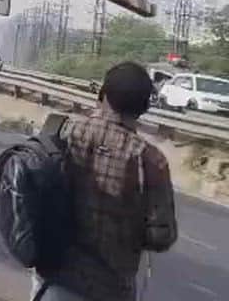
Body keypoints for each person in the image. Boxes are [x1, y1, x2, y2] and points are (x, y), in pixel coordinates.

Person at [33, 61, 178, 301]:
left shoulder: (64, 132)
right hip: (112, 288)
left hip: (55, 277)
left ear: (103, 95)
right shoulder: (151, 160)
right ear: (144, 108)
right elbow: (162, 236)